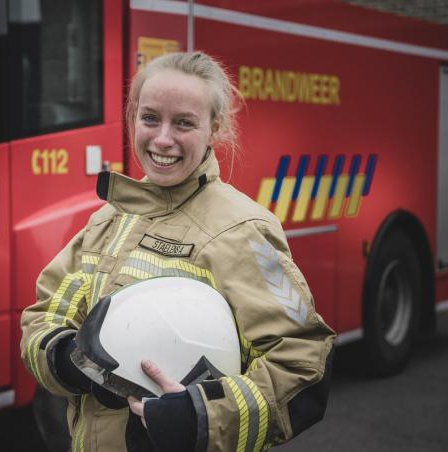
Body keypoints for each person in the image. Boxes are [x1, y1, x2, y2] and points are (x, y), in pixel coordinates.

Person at [21, 51, 335, 452]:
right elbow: (44, 315)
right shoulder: (108, 219)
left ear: (215, 128)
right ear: (133, 117)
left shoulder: (244, 231)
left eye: (184, 122)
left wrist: (198, 416)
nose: (163, 139)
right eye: (150, 117)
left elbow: (305, 363)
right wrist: (67, 361)